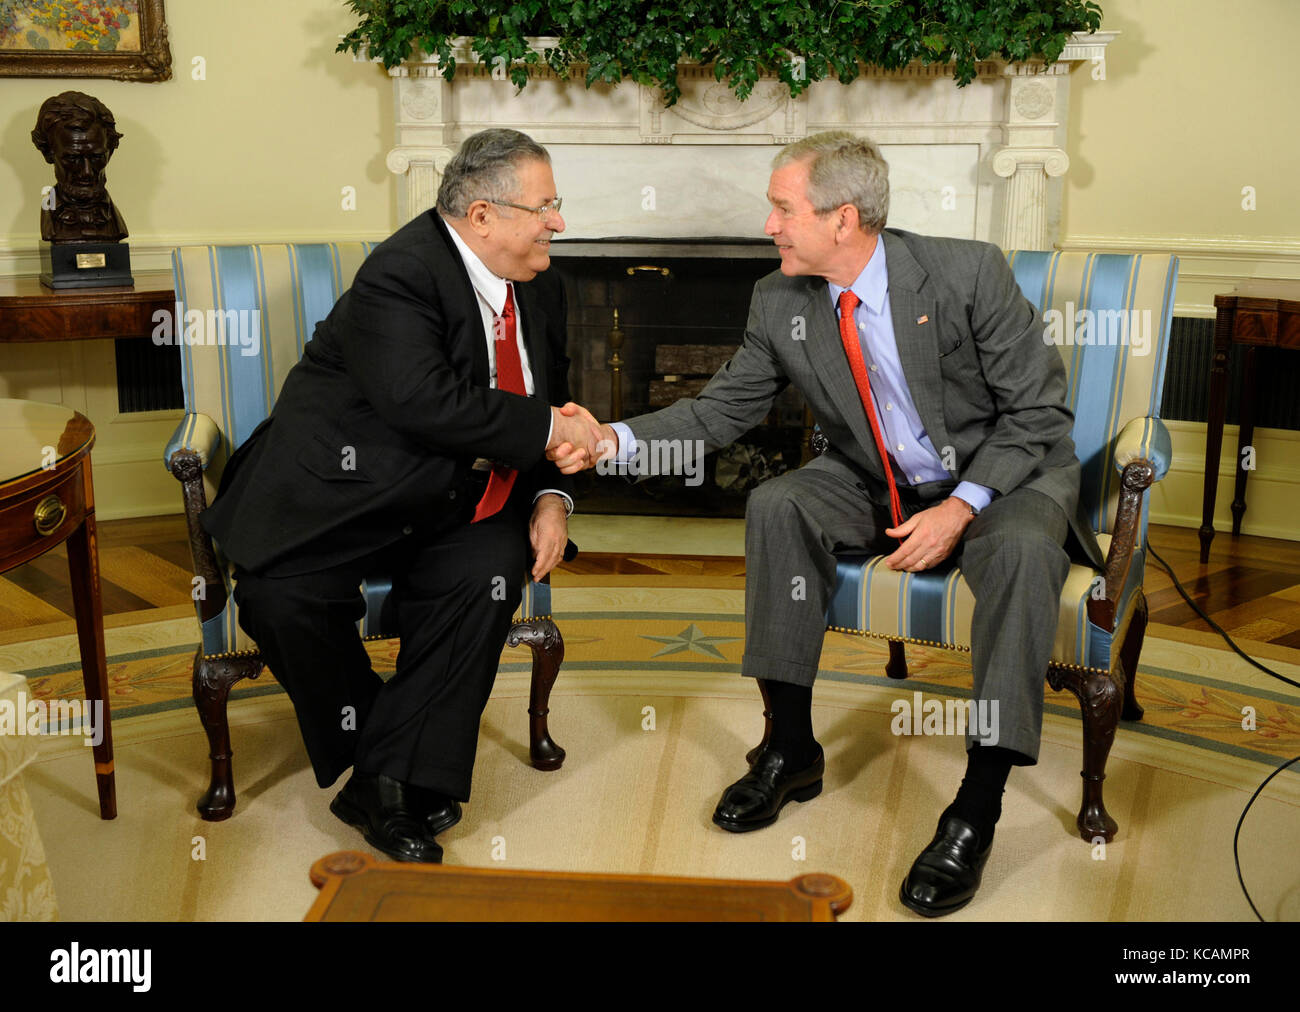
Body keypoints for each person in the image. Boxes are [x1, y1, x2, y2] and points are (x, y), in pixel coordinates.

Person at [552, 131, 1105, 916]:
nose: (769, 224)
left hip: (1002, 474)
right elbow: (719, 411)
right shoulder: (779, 300)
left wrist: (959, 508)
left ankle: (975, 809)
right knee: (778, 502)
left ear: (843, 219)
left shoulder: (965, 270)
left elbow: (1039, 415)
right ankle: (790, 748)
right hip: (876, 480)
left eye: (782, 208)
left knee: (1019, 555)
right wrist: (610, 440)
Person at [200, 128, 603, 864]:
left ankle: (381, 784)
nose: (559, 222)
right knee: (278, 602)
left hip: (464, 493)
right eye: (545, 206)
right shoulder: (404, 272)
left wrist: (552, 498)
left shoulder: (544, 284)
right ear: (482, 215)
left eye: (557, 205)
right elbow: (424, 401)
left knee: (484, 578)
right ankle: (389, 740)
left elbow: (555, 399)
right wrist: (550, 429)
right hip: (342, 487)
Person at [31, 91, 129, 243]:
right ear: (49, 153)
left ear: (110, 152)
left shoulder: (115, 222)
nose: (87, 172)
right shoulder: (48, 213)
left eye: (97, 157)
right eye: (72, 158)